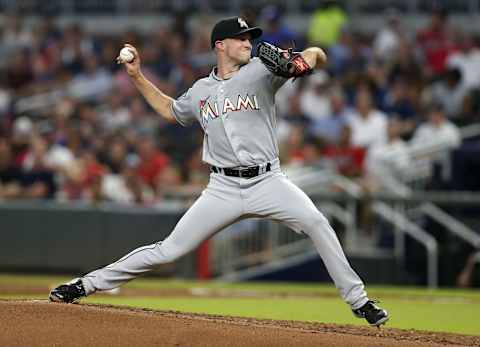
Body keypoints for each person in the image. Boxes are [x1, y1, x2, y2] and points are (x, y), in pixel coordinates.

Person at [49, 17, 389, 327]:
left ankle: (359, 301)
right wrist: (137, 76)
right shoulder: (200, 90)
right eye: (240, 38)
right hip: (222, 187)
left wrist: (308, 57)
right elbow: (170, 109)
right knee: (170, 250)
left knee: (316, 223)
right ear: (220, 45)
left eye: (249, 38)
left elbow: (314, 55)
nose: (248, 43)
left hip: (268, 180)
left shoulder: (261, 69)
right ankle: (85, 284)